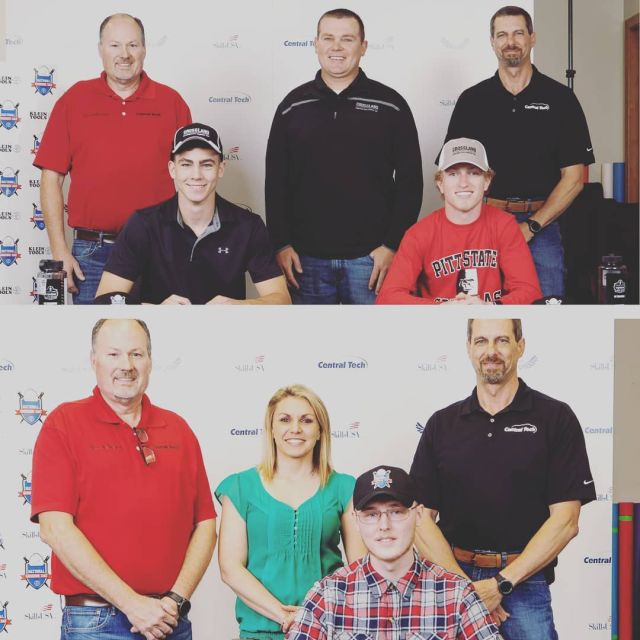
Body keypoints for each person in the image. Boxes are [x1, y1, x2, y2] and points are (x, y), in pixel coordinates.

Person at [410, 318, 596, 639]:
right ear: (469, 349)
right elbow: (419, 519)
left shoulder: (555, 418)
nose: (491, 351)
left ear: (520, 346)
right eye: (481, 341)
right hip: (454, 580)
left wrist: (501, 583)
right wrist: (469, 591)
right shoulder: (442, 424)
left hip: (525, 581)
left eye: (502, 340)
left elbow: (566, 520)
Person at [31, 319, 216, 640]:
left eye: (136, 354)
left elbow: (205, 524)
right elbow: (54, 528)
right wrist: (131, 603)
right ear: (94, 361)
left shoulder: (179, 429)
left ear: (150, 361)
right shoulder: (64, 423)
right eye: (113, 354)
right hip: (95, 622)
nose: (126, 366)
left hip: (170, 620)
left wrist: (175, 599)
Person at [265, 8, 423, 304]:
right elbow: (276, 183)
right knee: (309, 348)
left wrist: (392, 246)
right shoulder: (292, 107)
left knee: (374, 347)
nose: (336, 47)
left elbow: (410, 183)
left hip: (371, 261)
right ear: (316, 44)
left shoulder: (391, 105)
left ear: (363, 47)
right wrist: (281, 244)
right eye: (328, 38)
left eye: (347, 39)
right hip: (305, 262)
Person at [34, 13, 192, 304]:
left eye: (133, 45)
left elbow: (192, 178)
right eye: (115, 45)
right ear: (100, 50)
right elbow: (50, 177)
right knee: (96, 339)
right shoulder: (74, 100)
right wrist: (59, 251)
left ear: (144, 50)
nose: (124, 55)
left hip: (159, 249)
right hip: (93, 254)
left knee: (164, 338)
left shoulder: (172, 103)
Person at [441, 5, 594, 298]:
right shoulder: (472, 100)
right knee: (477, 308)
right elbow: (452, 173)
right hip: (484, 222)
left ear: (532, 38)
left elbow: (574, 178)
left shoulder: (561, 99)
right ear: (492, 42)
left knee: (546, 314)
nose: (510, 41)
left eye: (518, 33)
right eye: (502, 34)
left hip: (543, 227)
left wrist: (532, 227)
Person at [216, 384, 365, 640]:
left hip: (327, 629)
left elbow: (359, 569)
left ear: (320, 431)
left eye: (306, 420)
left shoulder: (345, 488)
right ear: (271, 429)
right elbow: (230, 567)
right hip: (259, 631)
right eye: (285, 419)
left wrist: (313, 616)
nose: (295, 428)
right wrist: (284, 616)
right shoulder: (240, 487)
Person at [286, 465, 501, 639]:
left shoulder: (456, 594)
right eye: (371, 515)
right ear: (356, 521)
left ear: (417, 515)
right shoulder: (327, 595)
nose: (384, 525)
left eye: (396, 512)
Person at [94, 123, 290, 305]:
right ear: (173, 169)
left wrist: (238, 306)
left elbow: (282, 300)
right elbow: (104, 300)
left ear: (221, 169)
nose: (196, 175)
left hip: (224, 334)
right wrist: (155, 310)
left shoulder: (248, 226)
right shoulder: (144, 223)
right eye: (186, 164)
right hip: (157, 336)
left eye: (207, 164)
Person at [376, 138, 542, 305]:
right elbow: (387, 298)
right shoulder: (418, 234)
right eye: (453, 173)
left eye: (473, 173)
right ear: (440, 183)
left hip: (489, 326)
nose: (463, 183)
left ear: (487, 181)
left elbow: (530, 292)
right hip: (439, 325)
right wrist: (440, 309)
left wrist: (490, 307)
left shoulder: (504, 225)